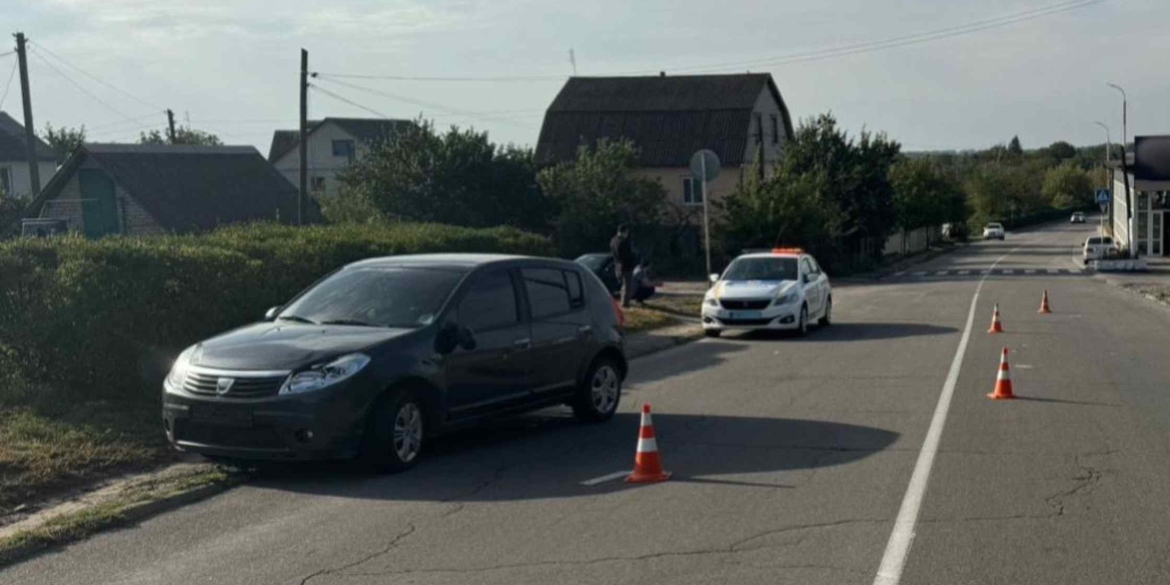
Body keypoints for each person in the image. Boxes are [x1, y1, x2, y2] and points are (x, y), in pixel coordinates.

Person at [609, 224, 637, 307]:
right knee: (627, 285)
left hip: (617, 265)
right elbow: (627, 255)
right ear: (624, 231)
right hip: (626, 265)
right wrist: (634, 257)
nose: (627, 234)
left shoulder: (613, 240)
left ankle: (623, 301)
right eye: (627, 232)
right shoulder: (623, 242)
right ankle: (625, 304)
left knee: (623, 285)